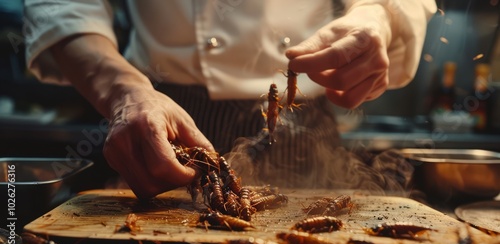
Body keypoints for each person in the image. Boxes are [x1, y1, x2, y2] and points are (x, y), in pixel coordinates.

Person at [24, 1, 437, 199]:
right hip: (160, 121)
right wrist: (125, 92)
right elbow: (63, 6)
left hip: (306, 130)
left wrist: (377, 15)